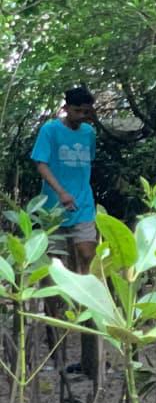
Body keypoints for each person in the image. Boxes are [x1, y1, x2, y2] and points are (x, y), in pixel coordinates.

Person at [31, 86, 98, 271]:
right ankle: (54, 300)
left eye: (86, 111)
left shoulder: (89, 133)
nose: (82, 115)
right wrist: (61, 192)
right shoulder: (49, 130)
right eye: (77, 111)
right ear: (66, 108)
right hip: (53, 207)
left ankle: (85, 298)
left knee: (88, 255)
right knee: (55, 262)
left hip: (83, 203)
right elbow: (40, 164)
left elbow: (88, 162)